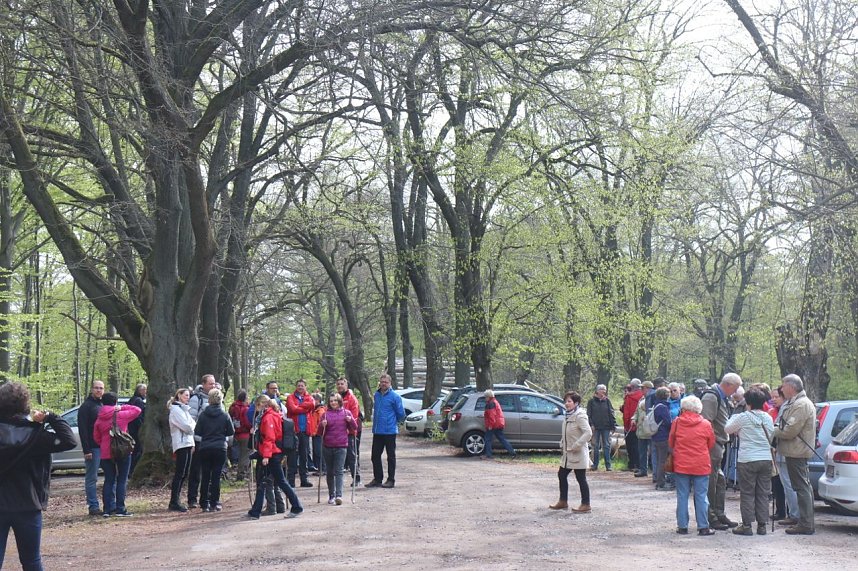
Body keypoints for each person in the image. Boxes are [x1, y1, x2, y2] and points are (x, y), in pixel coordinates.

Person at [0, 382, 76, 570]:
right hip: (28, 504)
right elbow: (69, 440)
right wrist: (51, 417)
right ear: (26, 404)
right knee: (31, 560)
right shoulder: (36, 436)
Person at [725, 388, 775, 536]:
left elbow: (727, 429)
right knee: (763, 493)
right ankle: (762, 526)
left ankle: (747, 525)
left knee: (747, 493)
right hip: (765, 458)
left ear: (748, 402)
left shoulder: (743, 417)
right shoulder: (768, 417)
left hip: (747, 459)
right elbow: (771, 435)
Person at [772, 374, 816, 535]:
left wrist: (772, 430)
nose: (781, 389)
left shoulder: (801, 404)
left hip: (797, 451)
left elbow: (790, 430)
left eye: (783, 386)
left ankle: (806, 523)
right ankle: (804, 521)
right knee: (801, 486)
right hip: (794, 450)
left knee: (801, 487)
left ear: (791, 387)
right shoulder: (796, 403)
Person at [247, 395, 303, 519]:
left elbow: (269, 438)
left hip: (272, 455)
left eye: (257, 405)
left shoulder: (268, 418)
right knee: (266, 482)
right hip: (272, 453)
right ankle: (255, 511)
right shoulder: (272, 415)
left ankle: (297, 506)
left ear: (262, 404)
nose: (256, 409)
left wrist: (266, 456)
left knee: (278, 482)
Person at [669, 395, 716, 536]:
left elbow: (671, 442)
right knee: (701, 496)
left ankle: (682, 526)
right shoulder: (706, 424)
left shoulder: (677, 422)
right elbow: (711, 443)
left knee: (682, 495)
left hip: (681, 464)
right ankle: (703, 527)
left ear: (683, 408)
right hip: (701, 464)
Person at [701, 372, 742, 530]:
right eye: (736, 388)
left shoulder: (721, 397)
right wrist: (711, 443)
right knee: (711, 481)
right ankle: (711, 516)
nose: (736, 392)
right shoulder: (712, 397)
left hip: (719, 444)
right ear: (729, 385)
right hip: (713, 444)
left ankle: (719, 513)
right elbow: (707, 422)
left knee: (719, 480)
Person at [93, 392, 141, 517]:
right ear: (115, 401)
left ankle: (107, 509)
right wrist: (121, 407)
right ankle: (120, 508)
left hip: (105, 452)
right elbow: (137, 410)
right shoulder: (121, 415)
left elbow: (96, 437)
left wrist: (104, 443)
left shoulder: (99, 417)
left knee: (109, 480)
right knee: (122, 479)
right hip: (122, 450)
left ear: (102, 402)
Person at [549, 391, 592, 513]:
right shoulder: (567, 415)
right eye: (566, 401)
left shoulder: (580, 416)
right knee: (561, 475)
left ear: (576, 403)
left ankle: (586, 504)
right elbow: (567, 432)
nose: (567, 404)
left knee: (580, 478)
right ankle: (563, 501)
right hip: (568, 454)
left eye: (569, 401)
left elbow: (588, 433)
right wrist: (562, 442)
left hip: (578, 453)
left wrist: (577, 445)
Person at [194, 389, 234, 512]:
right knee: (216, 476)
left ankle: (204, 503)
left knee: (205, 475)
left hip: (205, 447)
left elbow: (197, 431)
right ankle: (215, 502)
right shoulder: (224, 415)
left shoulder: (203, 415)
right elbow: (230, 432)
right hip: (220, 447)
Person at [366, 373, 405, 488]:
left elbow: (401, 414)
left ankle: (391, 480)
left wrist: (392, 422)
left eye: (386, 382)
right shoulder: (377, 395)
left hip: (389, 431)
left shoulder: (395, 397)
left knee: (390, 456)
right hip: (377, 431)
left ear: (390, 383)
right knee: (375, 456)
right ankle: (378, 479)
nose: (383, 384)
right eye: (382, 382)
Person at [321, 393, 358, 504]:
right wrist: (322, 425)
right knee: (330, 471)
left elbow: (355, 428)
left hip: (341, 446)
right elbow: (319, 432)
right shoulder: (325, 414)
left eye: (335, 400)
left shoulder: (346, 413)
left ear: (340, 401)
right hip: (328, 445)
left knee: (339, 471)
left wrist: (350, 420)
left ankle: (339, 495)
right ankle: (331, 495)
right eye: (331, 401)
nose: (333, 403)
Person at [187, 374, 216, 508]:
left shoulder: (217, 399)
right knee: (195, 470)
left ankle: (209, 497)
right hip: (199, 440)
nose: (213, 386)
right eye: (210, 384)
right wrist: (193, 440)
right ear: (203, 384)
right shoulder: (195, 399)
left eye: (214, 383)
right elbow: (191, 421)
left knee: (211, 471)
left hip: (214, 441)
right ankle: (192, 498)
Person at [78, 380, 104, 515]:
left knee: (110, 476)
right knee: (92, 478)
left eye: (101, 388)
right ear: (91, 389)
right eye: (96, 388)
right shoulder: (86, 407)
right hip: (93, 448)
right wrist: (86, 450)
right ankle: (93, 506)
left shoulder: (103, 405)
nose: (98, 390)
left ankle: (110, 504)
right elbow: (83, 430)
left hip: (106, 447)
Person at [168, 388, 195, 512]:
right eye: (185, 395)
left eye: (188, 395)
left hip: (188, 443)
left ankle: (176, 499)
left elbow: (193, 425)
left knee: (184, 473)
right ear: (178, 395)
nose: (187, 397)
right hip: (181, 443)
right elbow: (188, 427)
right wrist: (191, 427)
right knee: (180, 473)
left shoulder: (185, 410)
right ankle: (174, 501)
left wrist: (191, 427)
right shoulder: (175, 410)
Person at [285, 379, 316, 488]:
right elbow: (292, 409)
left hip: (305, 430)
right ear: (296, 386)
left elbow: (312, 404)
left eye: (302, 385)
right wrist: (305, 408)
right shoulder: (290, 397)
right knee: (292, 455)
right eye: (298, 385)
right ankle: (291, 480)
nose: (300, 387)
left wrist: (299, 407)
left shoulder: (309, 397)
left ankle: (304, 479)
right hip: (294, 431)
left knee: (304, 455)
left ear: (305, 387)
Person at [337, 377, 362, 484]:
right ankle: (337, 480)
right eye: (338, 384)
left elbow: (354, 416)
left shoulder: (352, 398)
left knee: (351, 455)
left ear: (346, 385)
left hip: (349, 432)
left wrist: (348, 428)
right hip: (336, 432)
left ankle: (356, 477)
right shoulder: (335, 398)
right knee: (337, 456)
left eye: (342, 384)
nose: (340, 385)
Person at [586, 384, 615, 471]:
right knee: (595, 446)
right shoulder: (591, 401)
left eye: (605, 390)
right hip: (595, 427)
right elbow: (589, 414)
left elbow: (611, 413)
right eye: (602, 389)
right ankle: (595, 465)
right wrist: (591, 424)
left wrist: (613, 425)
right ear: (597, 391)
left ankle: (608, 465)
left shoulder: (607, 401)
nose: (604, 391)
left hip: (606, 426)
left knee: (606, 445)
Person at [482, 389, 516, 459]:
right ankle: (512, 452)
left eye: (485, 396)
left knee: (487, 439)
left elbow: (492, 415)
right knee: (502, 439)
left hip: (494, 424)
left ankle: (488, 455)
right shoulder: (495, 402)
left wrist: (490, 425)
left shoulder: (491, 403)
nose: (485, 398)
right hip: (498, 423)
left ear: (489, 396)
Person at [651, 387, 673, 491]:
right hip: (663, 436)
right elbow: (668, 422)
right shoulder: (663, 407)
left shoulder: (656, 405)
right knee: (662, 461)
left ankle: (659, 480)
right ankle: (661, 483)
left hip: (656, 436)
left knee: (659, 459)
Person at [631, 380, 654, 477]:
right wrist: (633, 419)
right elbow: (636, 412)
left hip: (651, 431)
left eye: (643, 388)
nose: (641, 389)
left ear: (648, 389)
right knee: (642, 452)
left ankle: (655, 472)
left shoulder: (653, 399)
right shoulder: (641, 399)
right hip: (641, 430)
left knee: (653, 453)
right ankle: (643, 470)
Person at [620, 379, 643, 473]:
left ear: (633, 387)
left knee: (631, 446)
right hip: (638, 423)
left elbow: (628, 412)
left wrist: (627, 424)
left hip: (630, 424)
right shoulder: (642, 396)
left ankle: (633, 464)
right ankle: (636, 465)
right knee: (636, 446)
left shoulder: (629, 397)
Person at [228, 390, 252, 481]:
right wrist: (252, 427)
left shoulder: (232, 407)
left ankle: (239, 472)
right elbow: (246, 422)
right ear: (245, 398)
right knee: (245, 454)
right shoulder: (245, 409)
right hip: (245, 434)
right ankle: (242, 474)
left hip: (235, 433)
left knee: (239, 454)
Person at [127, 383, 147, 478]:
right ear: (140, 391)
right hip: (136, 429)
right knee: (137, 450)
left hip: (131, 428)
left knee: (134, 450)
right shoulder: (138, 401)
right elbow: (138, 416)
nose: (146, 392)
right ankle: (132, 471)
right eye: (144, 390)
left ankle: (131, 471)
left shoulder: (132, 399)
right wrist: (142, 426)